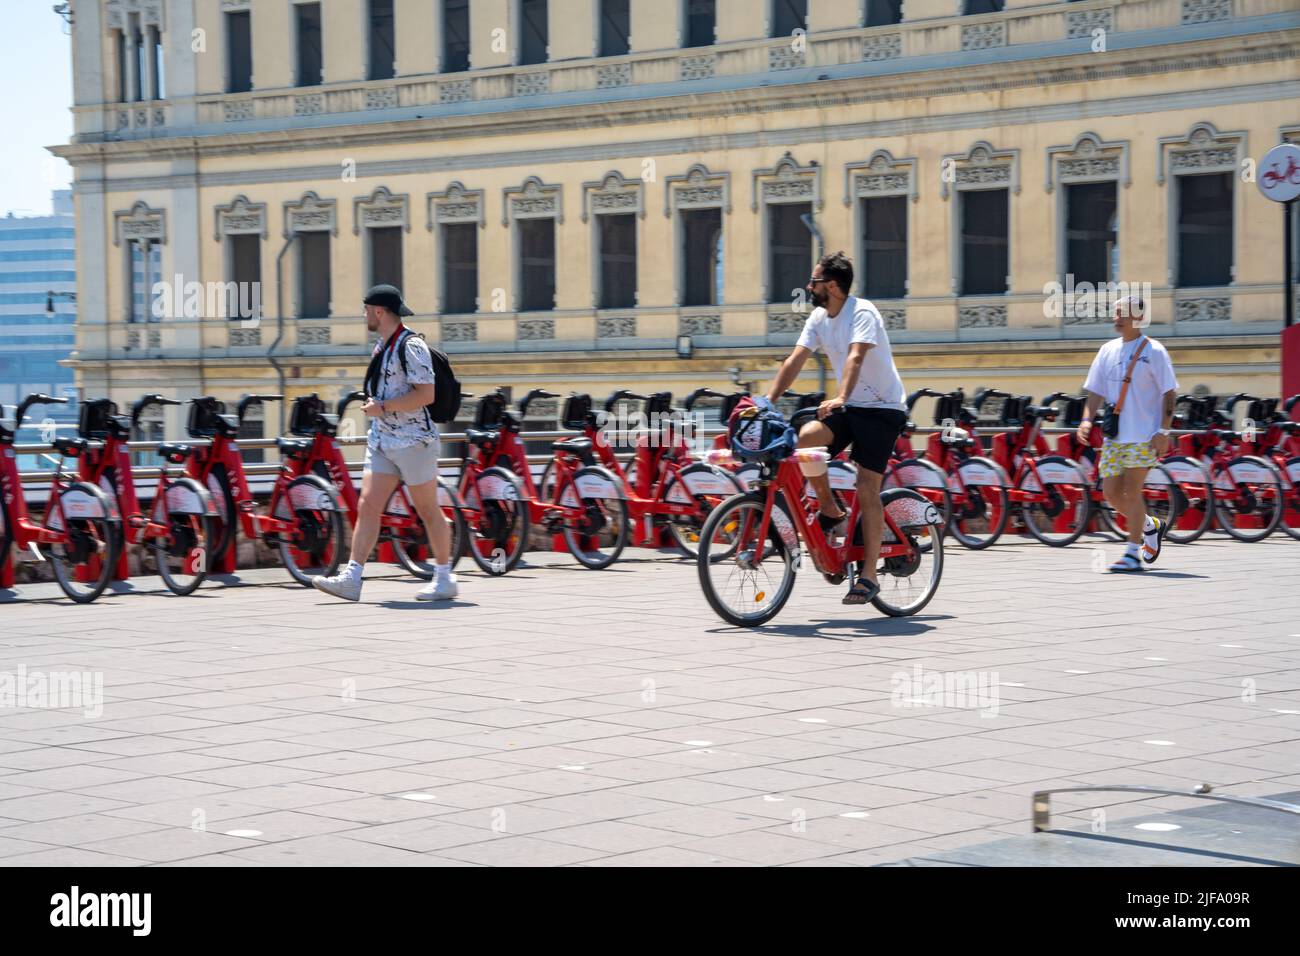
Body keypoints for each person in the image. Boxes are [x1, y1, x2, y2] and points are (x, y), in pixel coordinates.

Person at [764, 251, 908, 605]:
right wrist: (766, 401)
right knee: (807, 438)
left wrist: (841, 395)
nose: (808, 287)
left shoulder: (862, 312)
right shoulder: (818, 317)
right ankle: (830, 510)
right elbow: (796, 359)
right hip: (852, 407)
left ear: (831, 285)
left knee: (866, 486)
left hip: (882, 410)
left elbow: (856, 356)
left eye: (813, 281)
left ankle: (870, 576)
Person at [313, 284, 459, 601]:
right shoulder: (382, 347)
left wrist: (384, 407)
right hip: (383, 439)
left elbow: (426, 395)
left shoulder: (412, 347)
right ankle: (352, 578)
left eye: (367, 310)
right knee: (368, 506)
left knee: (428, 510)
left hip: (413, 441)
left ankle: (445, 578)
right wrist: (375, 405)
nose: (364, 316)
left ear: (379, 311)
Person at [1078, 296, 1179, 573]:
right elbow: (1095, 391)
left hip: (1144, 435)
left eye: (1122, 313)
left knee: (1132, 491)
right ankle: (1150, 524)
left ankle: (1133, 553)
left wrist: (1163, 430)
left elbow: (1169, 392)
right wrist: (1086, 420)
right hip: (1114, 436)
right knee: (1111, 493)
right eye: (1116, 312)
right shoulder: (1107, 350)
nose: (1116, 317)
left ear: (1138, 317)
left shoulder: (1154, 351)